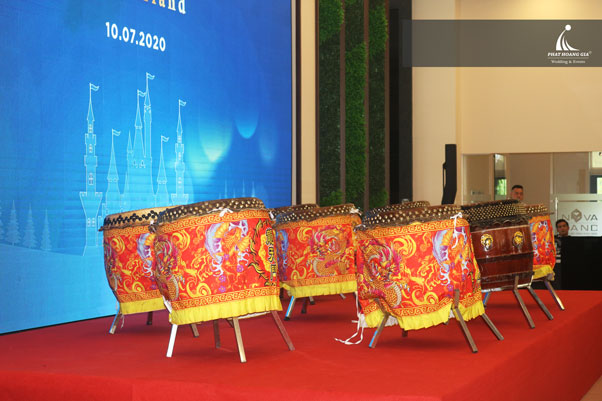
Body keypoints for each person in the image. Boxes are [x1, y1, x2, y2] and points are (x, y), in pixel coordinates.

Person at [553, 219, 570, 290]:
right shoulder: (552, 239)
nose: (562, 228)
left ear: (568, 228)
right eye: (559, 227)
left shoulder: (573, 240)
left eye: (564, 226)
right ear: (557, 229)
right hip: (555, 266)